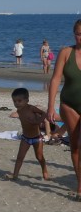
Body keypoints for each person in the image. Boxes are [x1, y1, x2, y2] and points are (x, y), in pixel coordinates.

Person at [46, 19, 81, 198]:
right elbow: (55, 79)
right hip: (69, 103)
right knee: (75, 144)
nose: (80, 37)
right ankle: (80, 186)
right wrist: (51, 106)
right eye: (78, 33)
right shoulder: (66, 53)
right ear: (74, 34)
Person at [7, 88, 49, 181]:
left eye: (19, 101)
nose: (17, 103)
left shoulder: (31, 108)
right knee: (20, 157)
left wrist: (37, 121)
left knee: (39, 157)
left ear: (27, 100)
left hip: (37, 138)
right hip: (25, 138)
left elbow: (44, 114)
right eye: (14, 101)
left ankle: (44, 170)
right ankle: (15, 175)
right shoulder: (19, 111)